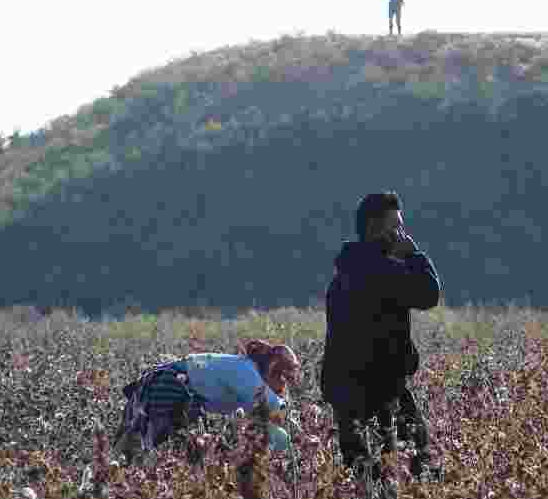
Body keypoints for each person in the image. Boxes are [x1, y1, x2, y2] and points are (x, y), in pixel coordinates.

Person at [320, 191, 443, 480]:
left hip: (349, 394)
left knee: (365, 479)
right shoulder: (380, 272)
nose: (401, 233)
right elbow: (429, 293)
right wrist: (413, 255)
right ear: (376, 228)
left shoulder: (347, 272)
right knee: (415, 472)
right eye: (396, 226)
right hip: (378, 393)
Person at [114, 338, 301, 461]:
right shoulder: (247, 373)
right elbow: (275, 409)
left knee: (167, 450)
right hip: (171, 385)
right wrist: (302, 436)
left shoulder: (248, 376)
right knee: (143, 448)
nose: (282, 386)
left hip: (178, 388)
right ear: (273, 370)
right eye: (282, 378)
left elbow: (264, 419)